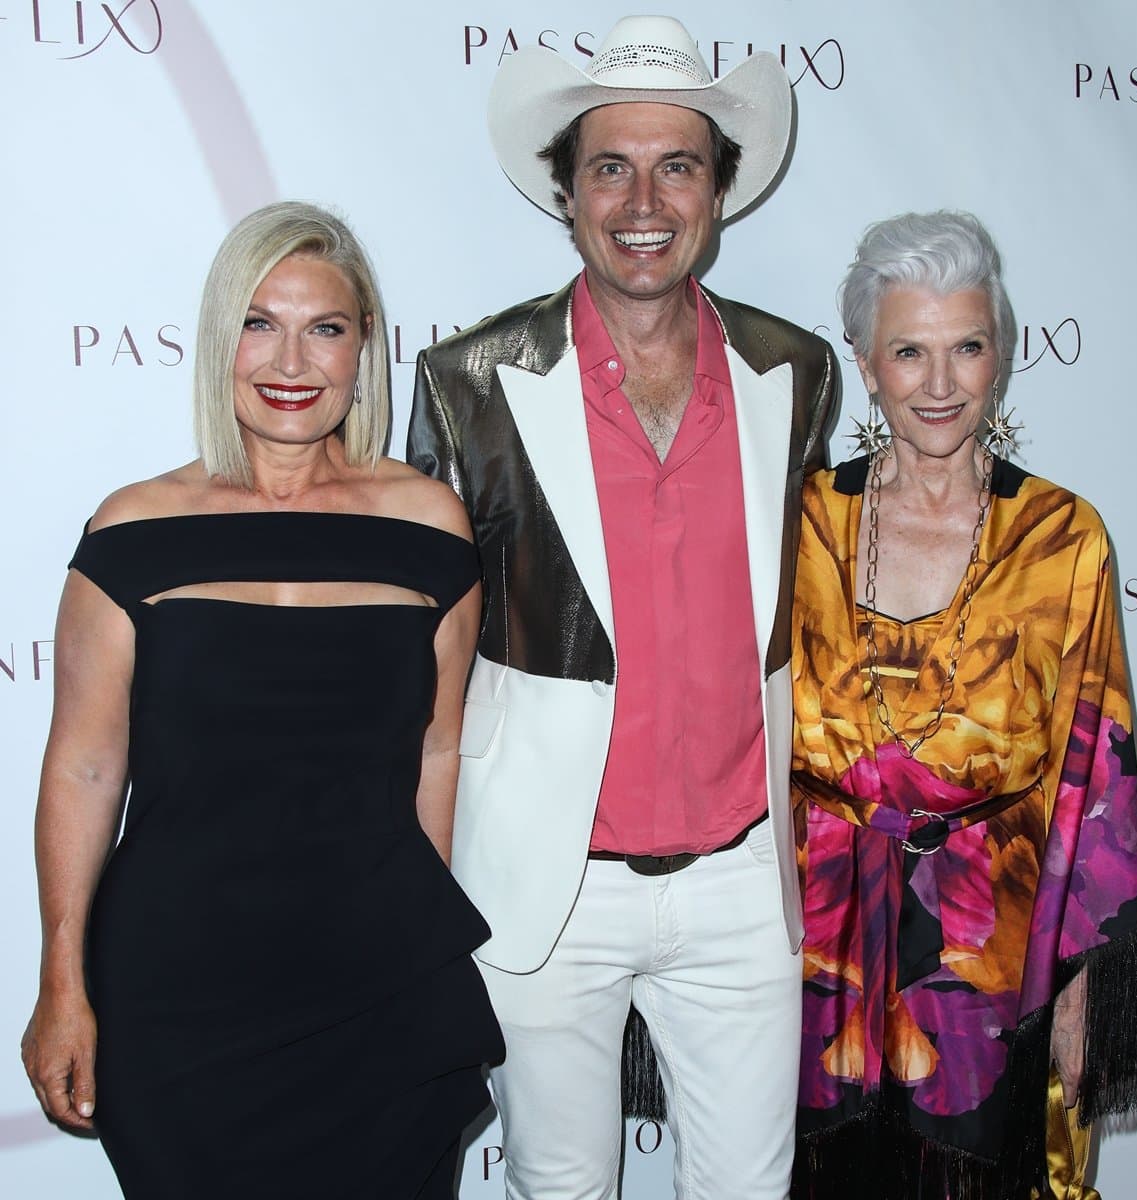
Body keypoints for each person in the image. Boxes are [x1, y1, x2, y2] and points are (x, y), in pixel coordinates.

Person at [407, 15, 838, 1199]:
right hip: (548, 882)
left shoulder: (795, 369)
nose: (643, 199)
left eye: (677, 165)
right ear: (567, 190)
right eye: (611, 165)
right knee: (559, 1186)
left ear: (717, 190)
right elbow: (420, 664)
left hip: (743, 882)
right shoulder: (469, 384)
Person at [20, 201, 503, 1199]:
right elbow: (83, 764)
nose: (292, 360)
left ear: (363, 344)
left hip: (375, 983)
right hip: (177, 988)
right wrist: (61, 981)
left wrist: (415, 947)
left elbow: (439, 753)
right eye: (259, 322)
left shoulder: (426, 523)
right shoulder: (134, 531)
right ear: (219, 341)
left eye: (324, 327)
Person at [789, 210, 1137, 1199]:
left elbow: (1098, 777)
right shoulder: (797, 524)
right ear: (865, 363)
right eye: (910, 352)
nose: (942, 384)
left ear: (1001, 354)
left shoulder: (1061, 540)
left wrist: (1085, 993)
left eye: (967, 347)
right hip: (806, 961)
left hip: (991, 972)